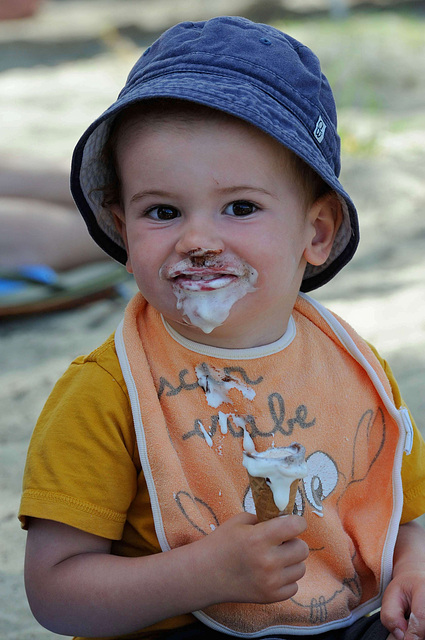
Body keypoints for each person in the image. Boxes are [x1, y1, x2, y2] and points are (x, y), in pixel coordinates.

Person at [19, 16, 425, 640]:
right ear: (123, 234)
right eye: (162, 211)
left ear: (316, 233)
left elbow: (400, 515)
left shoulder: (351, 363)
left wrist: (413, 571)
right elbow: (54, 594)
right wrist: (201, 574)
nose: (198, 240)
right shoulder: (108, 389)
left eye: (240, 207)